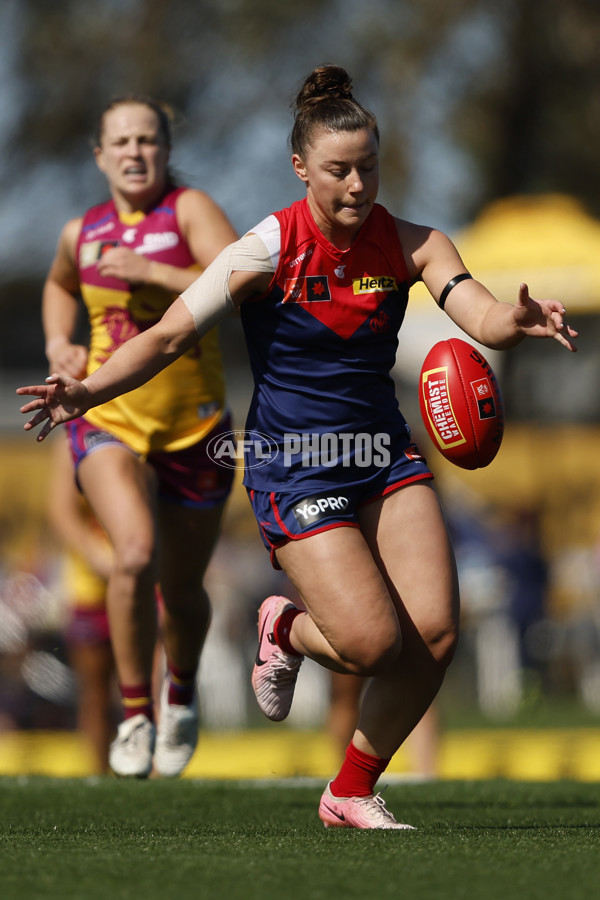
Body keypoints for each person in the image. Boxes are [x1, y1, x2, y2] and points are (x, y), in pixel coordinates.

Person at [18, 66, 577, 824]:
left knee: (436, 635)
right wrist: (86, 389)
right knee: (374, 644)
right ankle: (283, 624)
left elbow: (477, 314)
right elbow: (173, 331)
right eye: (338, 170)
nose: (356, 185)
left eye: (368, 167)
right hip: (294, 466)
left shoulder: (415, 244)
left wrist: (520, 321)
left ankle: (349, 790)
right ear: (301, 169)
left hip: (384, 456)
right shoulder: (266, 249)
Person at [37, 94, 239, 778]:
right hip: (108, 416)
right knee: (133, 555)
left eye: (147, 140)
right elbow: (60, 284)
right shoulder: (81, 231)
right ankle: (135, 712)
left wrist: (151, 271)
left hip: (195, 427)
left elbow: (239, 280)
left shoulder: (189, 211)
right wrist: (60, 343)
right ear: (99, 155)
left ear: (165, 149)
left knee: (181, 589)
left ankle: (178, 693)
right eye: (120, 142)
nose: (134, 152)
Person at [47, 431, 118, 773]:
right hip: (89, 586)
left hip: (146, 582)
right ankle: (100, 774)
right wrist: (97, 558)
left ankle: (156, 777)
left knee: (151, 684)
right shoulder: (71, 441)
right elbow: (61, 512)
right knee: (96, 693)